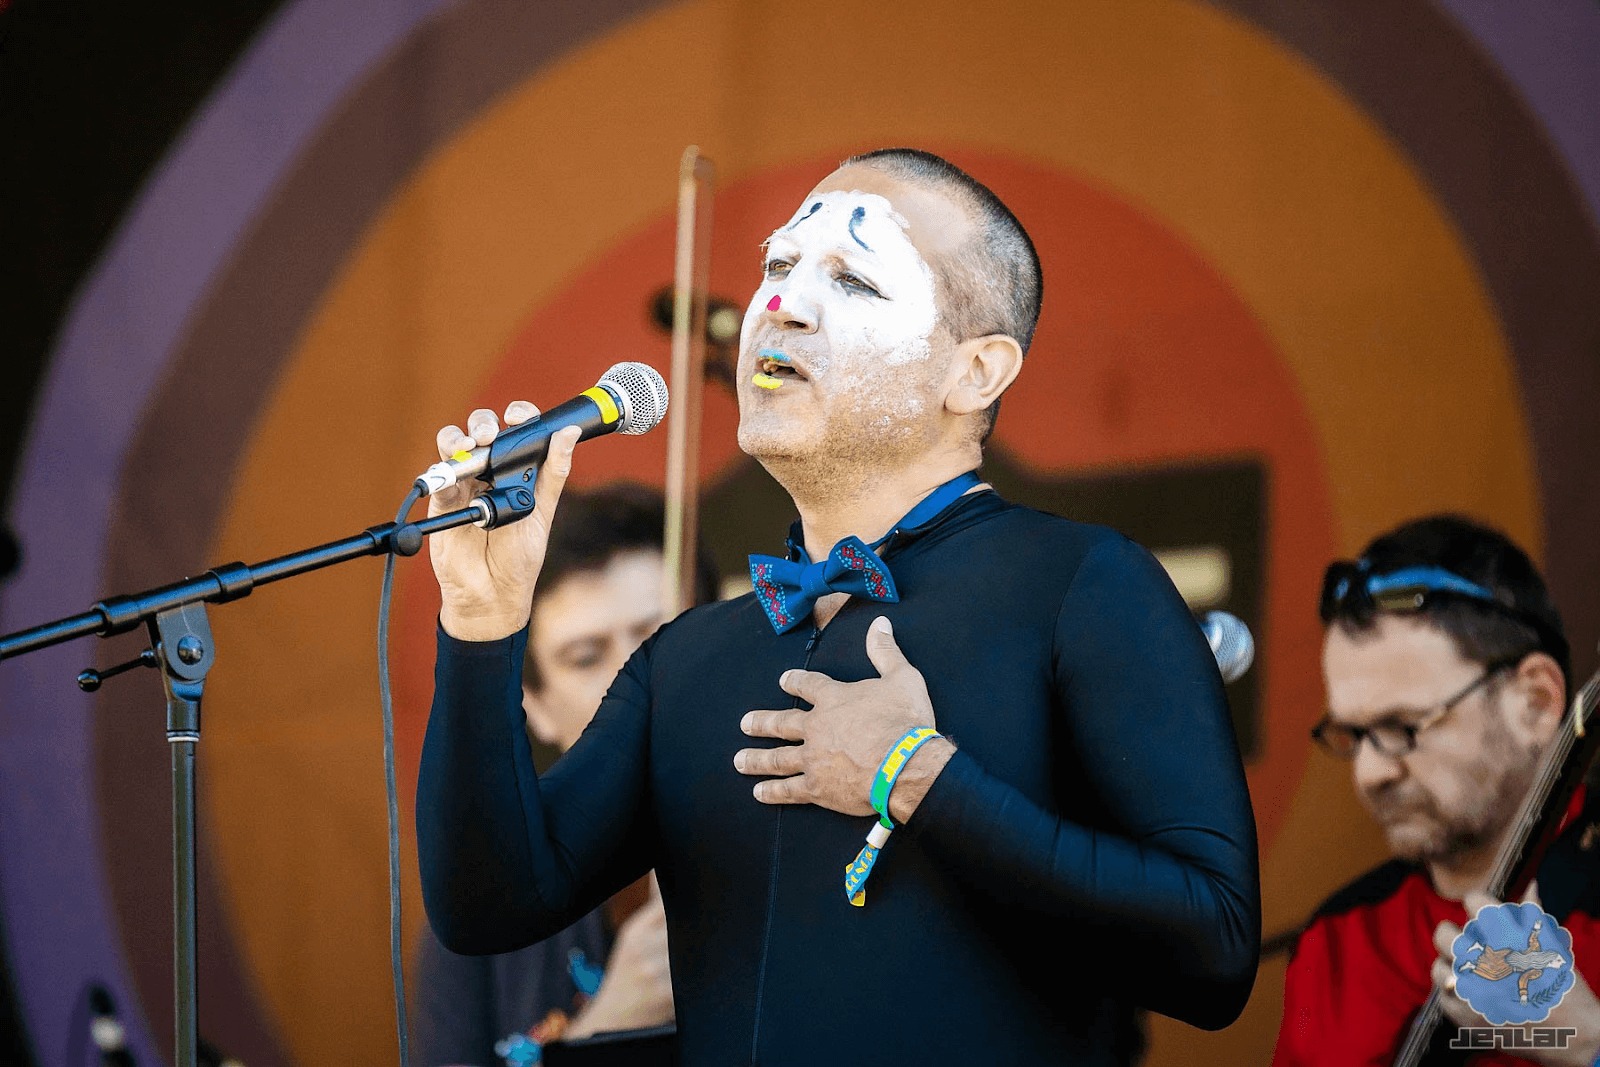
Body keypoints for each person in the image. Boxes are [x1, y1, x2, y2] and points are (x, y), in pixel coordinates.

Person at [416, 147, 1260, 1066]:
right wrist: (480, 622)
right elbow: (487, 903)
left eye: (852, 278)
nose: (782, 303)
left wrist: (923, 778)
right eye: (778, 266)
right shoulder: (686, 658)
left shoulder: (1085, 583)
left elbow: (1213, 953)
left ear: (975, 371)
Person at [1272, 514, 1600, 1066]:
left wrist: (1586, 1042)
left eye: (1404, 727)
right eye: (1355, 734)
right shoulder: (1336, 940)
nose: (1370, 773)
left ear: (1536, 703)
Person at [413, 483, 718, 1066]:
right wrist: (607, 1024)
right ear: (537, 705)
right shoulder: (481, 902)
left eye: (658, 637)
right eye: (586, 657)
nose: (636, 675)